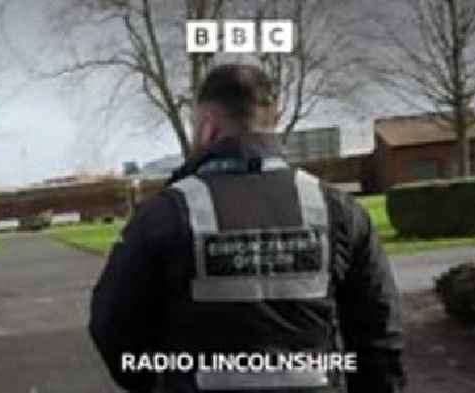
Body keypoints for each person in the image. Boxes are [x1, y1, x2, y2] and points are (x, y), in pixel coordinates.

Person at [89, 64, 406, 393]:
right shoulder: (336, 210)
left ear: (208, 128)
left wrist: (158, 382)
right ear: (271, 123)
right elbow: (380, 332)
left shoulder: (164, 215)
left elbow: (112, 325)